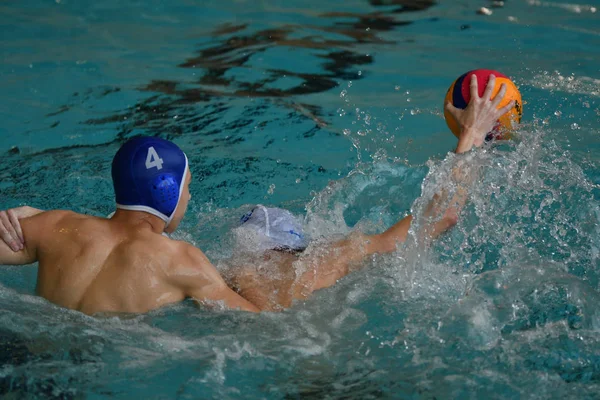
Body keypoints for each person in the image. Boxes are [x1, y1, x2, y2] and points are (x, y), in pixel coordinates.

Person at [0, 74, 514, 315]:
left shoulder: (52, 226)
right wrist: (470, 143)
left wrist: (13, 215)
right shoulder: (187, 263)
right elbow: (261, 324)